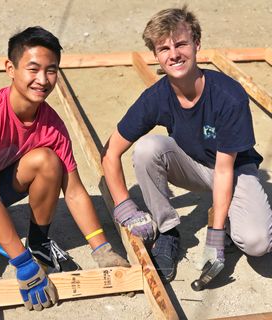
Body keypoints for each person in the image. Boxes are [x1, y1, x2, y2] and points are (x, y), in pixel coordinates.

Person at [0, 26, 129, 311]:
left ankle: (38, 242)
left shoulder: (52, 125)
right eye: (33, 69)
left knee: (48, 161)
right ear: (10, 68)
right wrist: (22, 265)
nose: (43, 80)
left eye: (51, 70)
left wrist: (101, 248)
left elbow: (73, 192)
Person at [101, 6, 272, 285]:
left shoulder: (228, 97)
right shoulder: (156, 97)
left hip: (233, 169)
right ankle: (168, 233)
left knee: (257, 243)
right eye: (164, 48)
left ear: (196, 44)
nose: (174, 54)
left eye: (181, 43)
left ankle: (229, 226)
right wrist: (125, 208)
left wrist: (215, 236)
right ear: (155, 55)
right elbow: (110, 152)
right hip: (192, 164)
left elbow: (224, 170)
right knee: (147, 149)